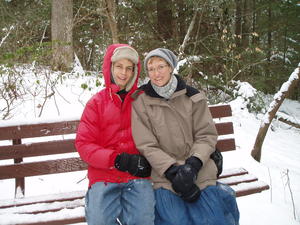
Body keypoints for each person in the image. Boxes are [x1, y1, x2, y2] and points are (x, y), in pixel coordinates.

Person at [131, 48, 240, 225]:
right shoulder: (141, 102)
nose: (156, 73)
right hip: (164, 175)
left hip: (199, 171)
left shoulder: (193, 97)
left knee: (213, 219)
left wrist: (193, 165)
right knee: (175, 220)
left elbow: (206, 135)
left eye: (161, 67)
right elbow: (146, 144)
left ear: (171, 67)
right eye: (151, 69)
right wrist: (171, 171)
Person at [75, 44, 155, 225]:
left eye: (129, 68)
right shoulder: (96, 103)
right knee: (99, 220)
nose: (124, 73)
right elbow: (84, 144)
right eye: (119, 66)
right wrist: (117, 159)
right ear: (110, 68)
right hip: (104, 176)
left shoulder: (142, 101)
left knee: (143, 220)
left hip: (137, 176)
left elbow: (159, 134)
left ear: (135, 71)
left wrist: (147, 161)